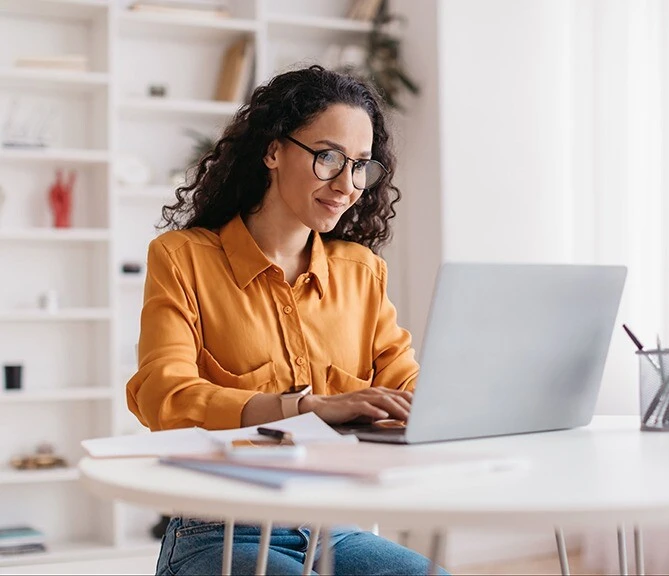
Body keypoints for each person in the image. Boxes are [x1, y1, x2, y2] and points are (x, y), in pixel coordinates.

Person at [127, 65, 449, 576]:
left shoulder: (361, 273)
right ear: (273, 151)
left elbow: (405, 388)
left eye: (361, 165)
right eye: (328, 158)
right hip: (218, 530)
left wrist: (454, 403)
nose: (347, 184)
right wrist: (305, 407)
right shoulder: (182, 257)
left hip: (336, 527)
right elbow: (162, 395)